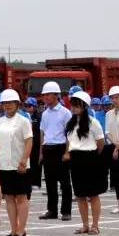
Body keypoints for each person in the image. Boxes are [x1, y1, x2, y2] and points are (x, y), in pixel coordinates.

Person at [0, 89, 33, 236]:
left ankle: (21, 231)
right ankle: (13, 229)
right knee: (9, 197)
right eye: (5, 103)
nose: (8, 105)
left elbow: (29, 141)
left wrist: (23, 160)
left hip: (20, 165)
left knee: (21, 197)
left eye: (11, 103)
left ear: (17, 104)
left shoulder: (23, 121)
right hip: (4, 165)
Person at [64, 92, 106, 235]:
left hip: (90, 158)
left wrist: (93, 157)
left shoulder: (93, 123)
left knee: (93, 195)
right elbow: (69, 141)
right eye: (73, 105)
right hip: (75, 160)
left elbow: (101, 143)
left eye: (77, 105)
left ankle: (95, 225)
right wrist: (67, 152)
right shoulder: (71, 123)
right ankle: (85, 225)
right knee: (80, 195)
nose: (74, 108)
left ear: (85, 106)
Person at [37, 82, 72, 221]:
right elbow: (42, 133)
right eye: (44, 95)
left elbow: (69, 134)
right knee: (50, 182)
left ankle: (66, 211)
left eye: (47, 94)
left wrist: (67, 152)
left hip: (61, 148)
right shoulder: (45, 113)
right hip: (48, 148)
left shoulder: (65, 113)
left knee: (64, 182)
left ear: (56, 95)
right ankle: (52, 210)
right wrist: (41, 152)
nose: (45, 97)